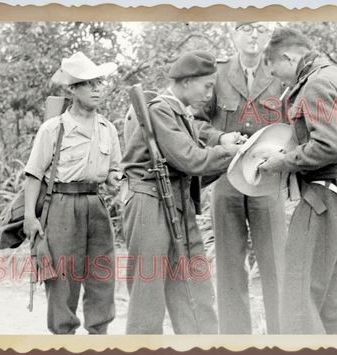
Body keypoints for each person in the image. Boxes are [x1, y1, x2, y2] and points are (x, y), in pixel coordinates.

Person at [121, 50, 243, 334]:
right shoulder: (160, 109)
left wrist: (237, 158)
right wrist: (230, 152)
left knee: (194, 285)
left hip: (177, 202)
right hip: (150, 202)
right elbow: (190, 158)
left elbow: (193, 167)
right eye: (207, 86)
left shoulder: (179, 113)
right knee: (148, 293)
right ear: (187, 82)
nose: (209, 94)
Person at [261, 27, 337, 334]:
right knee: (334, 307)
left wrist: (281, 161)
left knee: (298, 301)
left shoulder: (316, 83)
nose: (278, 79)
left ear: (288, 56)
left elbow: (330, 146)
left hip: (323, 203)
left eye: (276, 70)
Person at [23, 52, 121, 334]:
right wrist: (31, 217)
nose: (97, 88)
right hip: (62, 205)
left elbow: (114, 170)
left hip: (96, 205)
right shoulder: (53, 129)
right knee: (63, 278)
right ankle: (63, 337)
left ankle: (98, 335)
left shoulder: (108, 129)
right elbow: (34, 174)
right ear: (73, 89)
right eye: (89, 83)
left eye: (99, 82)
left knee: (102, 274)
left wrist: (119, 179)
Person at [200, 21, 286, 335]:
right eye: (246, 28)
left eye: (261, 29)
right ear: (233, 33)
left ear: (270, 35)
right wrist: (219, 138)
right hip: (226, 178)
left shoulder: (280, 73)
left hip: (268, 180)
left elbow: (294, 122)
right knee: (229, 266)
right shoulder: (218, 74)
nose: (254, 36)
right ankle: (235, 340)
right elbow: (194, 120)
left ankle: (281, 338)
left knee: (277, 265)